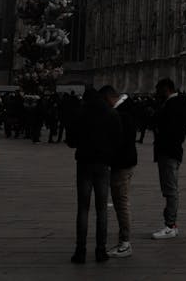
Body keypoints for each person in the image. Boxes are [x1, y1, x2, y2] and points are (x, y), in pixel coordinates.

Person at [67, 86, 123, 264]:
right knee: (101, 210)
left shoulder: (80, 113)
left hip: (84, 162)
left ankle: (80, 251)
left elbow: (71, 141)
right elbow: (118, 141)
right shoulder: (111, 114)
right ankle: (100, 250)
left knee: (83, 208)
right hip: (103, 164)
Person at [100, 85, 138, 258]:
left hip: (122, 163)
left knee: (121, 203)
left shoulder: (122, 114)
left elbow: (120, 140)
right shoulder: (126, 109)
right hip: (125, 162)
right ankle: (123, 240)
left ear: (109, 98)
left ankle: (125, 243)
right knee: (121, 202)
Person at [152, 76, 186, 238]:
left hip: (169, 152)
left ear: (166, 89)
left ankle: (170, 225)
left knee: (170, 189)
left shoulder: (173, 104)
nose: (156, 93)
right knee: (169, 188)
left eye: (158, 90)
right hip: (171, 151)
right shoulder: (175, 103)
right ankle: (171, 223)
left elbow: (169, 129)